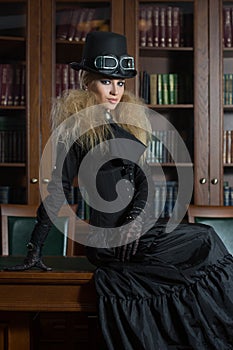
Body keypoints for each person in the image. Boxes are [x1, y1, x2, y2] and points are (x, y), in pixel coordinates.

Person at [5, 31, 233, 349]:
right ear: (88, 82)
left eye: (121, 83)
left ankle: (212, 333)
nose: (115, 90)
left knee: (203, 242)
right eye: (106, 81)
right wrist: (35, 253)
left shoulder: (122, 126)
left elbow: (143, 182)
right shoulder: (74, 130)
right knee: (205, 238)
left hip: (136, 234)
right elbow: (56, 191)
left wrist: (137, 220)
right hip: (108, 240)